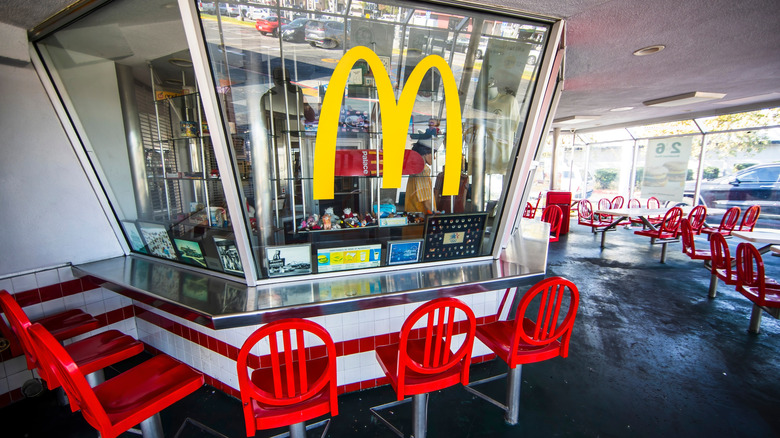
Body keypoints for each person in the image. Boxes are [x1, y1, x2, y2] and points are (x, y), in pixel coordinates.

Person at [405, 142, 435, 215]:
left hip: (413, 214)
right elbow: (427, 200)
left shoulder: (415, 168)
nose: (434, 157)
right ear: (424, 153)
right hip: (422, 218)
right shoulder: (421, 171)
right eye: (432, 153)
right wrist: (434, 216)